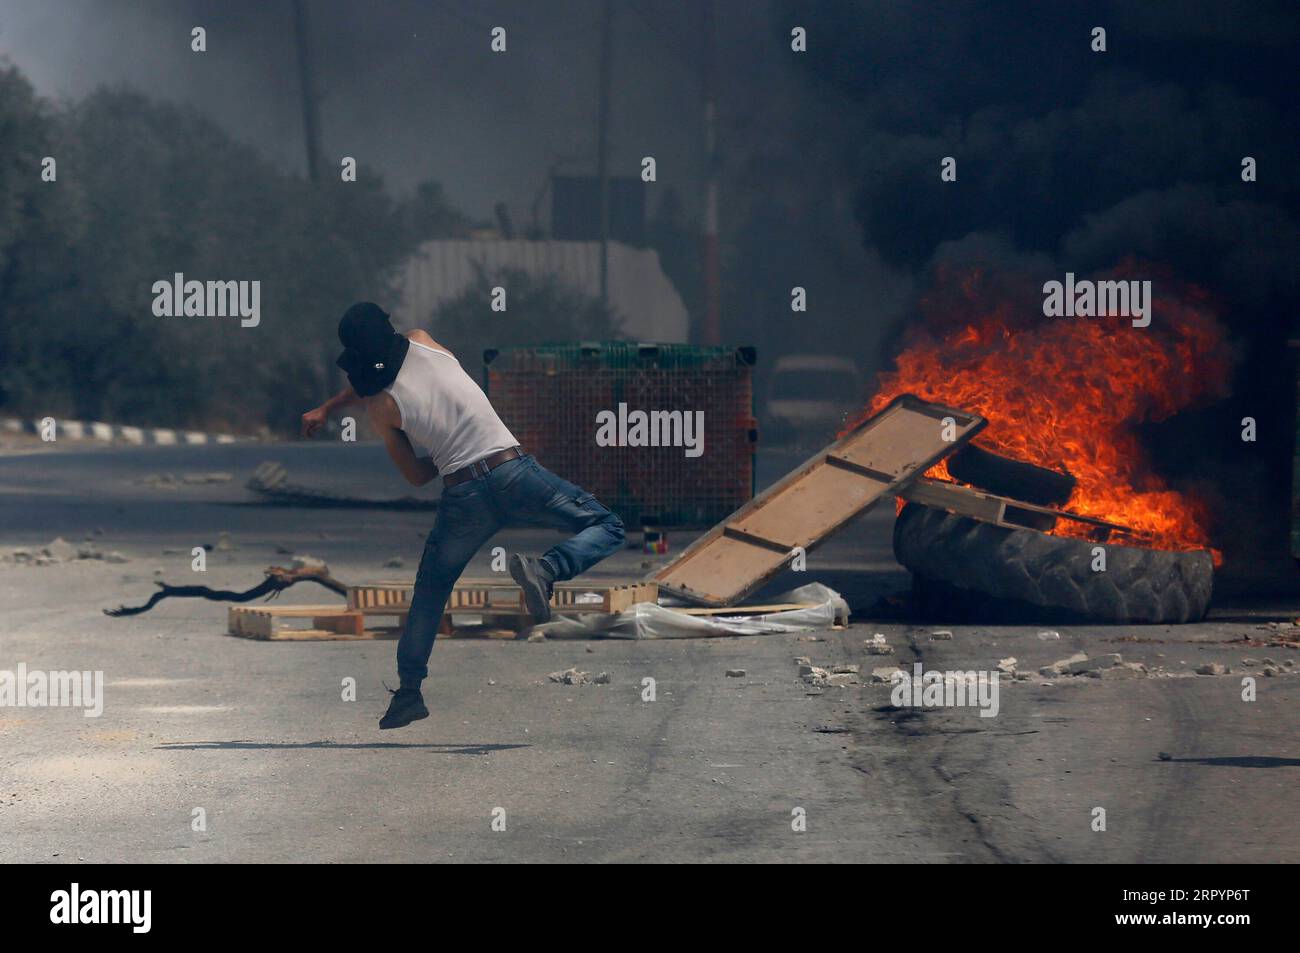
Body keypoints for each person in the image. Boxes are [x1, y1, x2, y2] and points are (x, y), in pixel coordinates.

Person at [302, 302, 625, 729]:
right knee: (607, 524)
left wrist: (440, 450)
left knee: (432, 591)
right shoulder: (423, 341)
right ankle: (546, 570)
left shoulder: (381, 410)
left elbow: (416, 475)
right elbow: (389, 362)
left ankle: (409, 694)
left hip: (463, 494)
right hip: (512, 470)